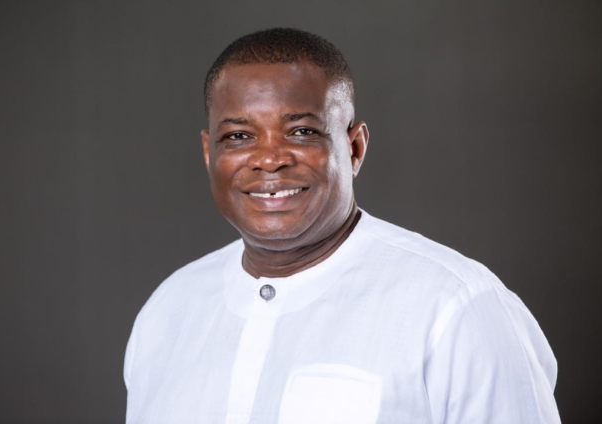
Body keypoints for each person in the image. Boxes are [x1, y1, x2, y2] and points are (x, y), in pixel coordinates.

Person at [124, 28, 560, 424]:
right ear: (209, 154)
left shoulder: (457, 309)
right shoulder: (168, 312)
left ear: (354, 148)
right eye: (239, 136)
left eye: (301, 132)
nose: (269, 159)